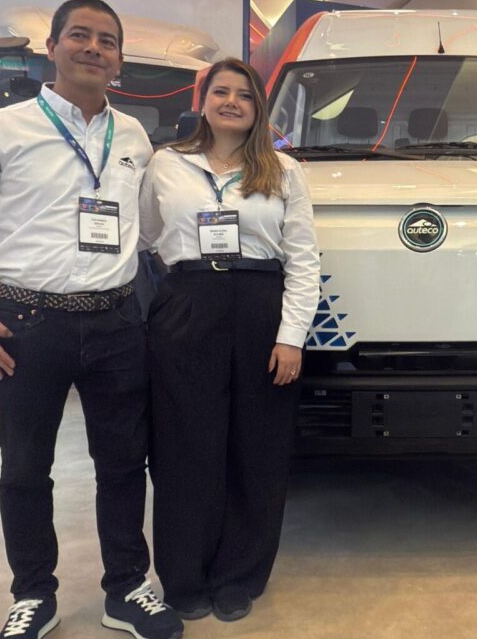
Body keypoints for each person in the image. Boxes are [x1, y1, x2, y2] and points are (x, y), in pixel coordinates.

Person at [0, 0, 183, 639]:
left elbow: (148, 225)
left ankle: (126, 588)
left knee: (123, 463)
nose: (93, 48)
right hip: (26, 322)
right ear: (52, 47)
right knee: (24, 467)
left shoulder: (133, 137)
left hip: (117, 320)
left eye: (107, 40)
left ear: (119, 60)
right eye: (80, 35)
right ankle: (33, 595)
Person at [139, 58, 320, 623]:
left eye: (244, 94)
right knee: (183, 446)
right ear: (203, 100)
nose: (232, 102)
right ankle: (185, 574)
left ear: (258, 106)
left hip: (262, 310)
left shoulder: (284, 170)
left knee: (256, 447)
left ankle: (239, 574)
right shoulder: (167, 163)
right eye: (221, 91)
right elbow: (147, 234)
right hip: (188, 306)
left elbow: (303, 260)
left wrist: (291, 337)